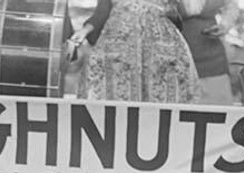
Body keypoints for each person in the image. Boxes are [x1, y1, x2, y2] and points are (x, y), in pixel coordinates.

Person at [69, 0, 200, 103]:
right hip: (119, 46)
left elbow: (180, 13)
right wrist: (84, 31)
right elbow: (102, 12)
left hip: (158, 47)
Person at [178, 0, 237, 105]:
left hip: (212, 56)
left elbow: (231, 6)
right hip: (177, 55)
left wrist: (224, 26)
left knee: (217, 109)